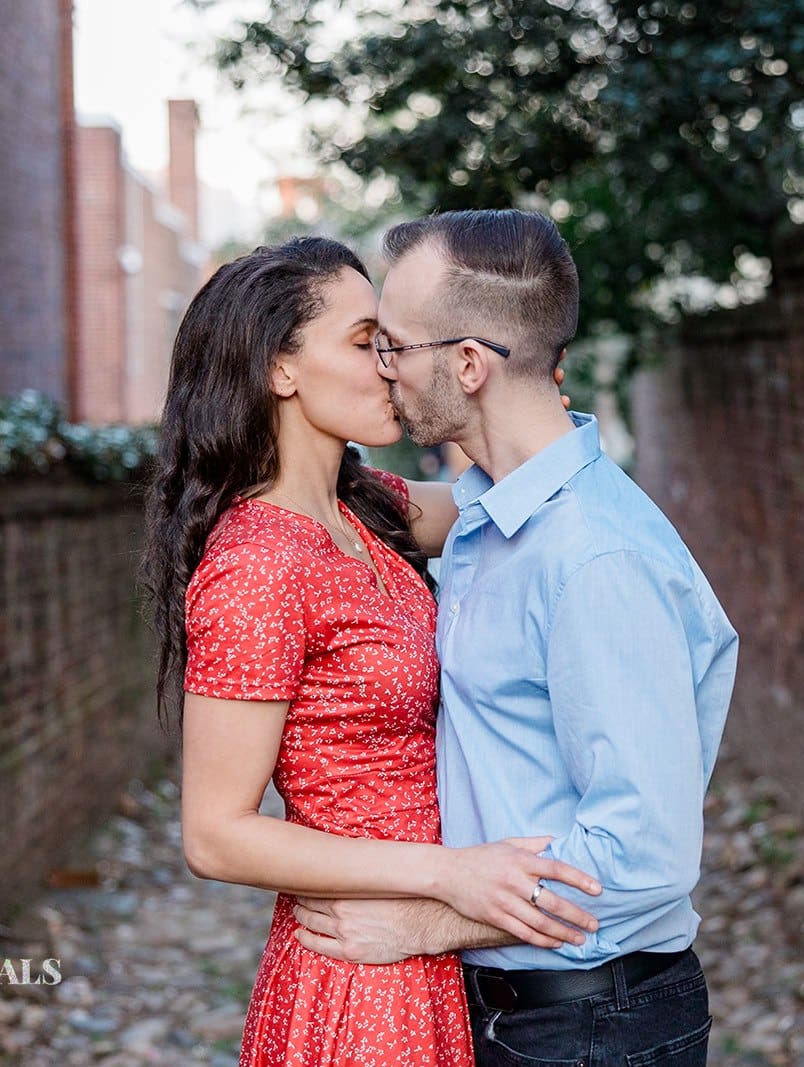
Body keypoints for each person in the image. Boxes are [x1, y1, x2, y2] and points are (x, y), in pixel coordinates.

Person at [137, 235, 604, 1066]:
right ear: (279, 368)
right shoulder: (256, 566)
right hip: (363, 971)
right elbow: (215, 834)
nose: (391, 365)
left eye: (392, 342)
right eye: (365, 343)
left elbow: (511, 492)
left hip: (432, 941)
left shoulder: (367, 509)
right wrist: (447, 875)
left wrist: (521, 374)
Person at [290, 210, 740, 1066]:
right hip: (512, 1012)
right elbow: (347, 506)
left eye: (394, 345)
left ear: (468, 364)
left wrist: (432, 918)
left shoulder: (595, 559)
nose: (383, 370)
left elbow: (640, 852)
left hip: (592, 1023)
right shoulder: (488, 516)